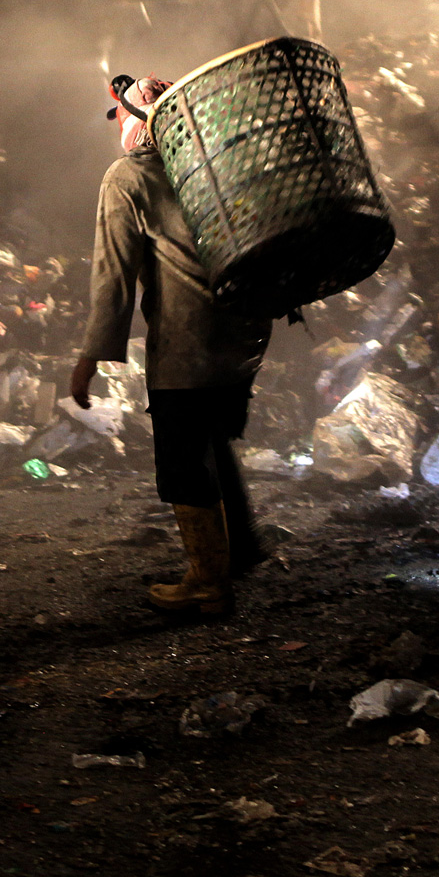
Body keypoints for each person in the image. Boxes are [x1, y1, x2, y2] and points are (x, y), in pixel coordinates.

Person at [71, 72, 272, 618]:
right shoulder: (218, 168)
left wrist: (90, 357)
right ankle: (242, 550)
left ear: (137, 125)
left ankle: (208, 582)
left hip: (189, 341)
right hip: (245, 336)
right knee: (211, 439)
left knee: (185, 458)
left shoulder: (129, 177)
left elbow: (114, 275)